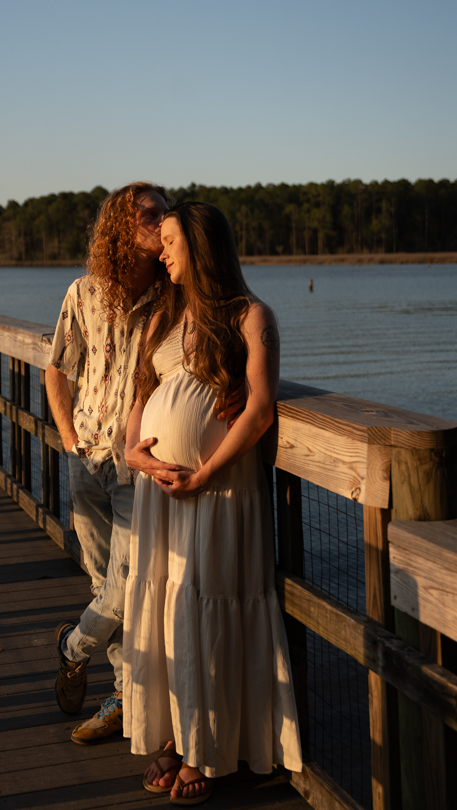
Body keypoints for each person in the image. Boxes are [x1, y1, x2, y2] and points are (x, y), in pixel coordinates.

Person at [123, 201, 303, 804]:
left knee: (207, 608)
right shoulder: (162, 319)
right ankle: (173, 737)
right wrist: (136, 454)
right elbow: (138, 396)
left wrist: (204, 472)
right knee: (167, 613)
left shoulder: (252, 317)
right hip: (161, 493)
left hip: (220, 494)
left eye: (170, 241)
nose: (161, 252)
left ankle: (209, 748)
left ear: (201, 247)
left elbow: (258, 411)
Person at [45, 181, 173, 744]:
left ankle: (72, 646)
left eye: (167, 211)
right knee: (106, 581)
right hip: (85, 460)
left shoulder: (174, 294)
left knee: (123, 587)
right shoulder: (84, 292)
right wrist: (69, 436)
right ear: (123, 223)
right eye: (151, 212)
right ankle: (122, 697)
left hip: (135, 466)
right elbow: (56, 369)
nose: (162, 219)